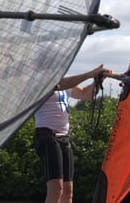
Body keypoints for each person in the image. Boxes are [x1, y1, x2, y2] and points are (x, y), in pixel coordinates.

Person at [33, 65, 112, 203]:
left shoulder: (65, 83)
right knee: (56, 189)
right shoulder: (42, 82)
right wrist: (89, 74)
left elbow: (87, 94)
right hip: (47, 135)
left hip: (64, 137)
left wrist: (98, 81)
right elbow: (60, 84)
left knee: (67, 191)